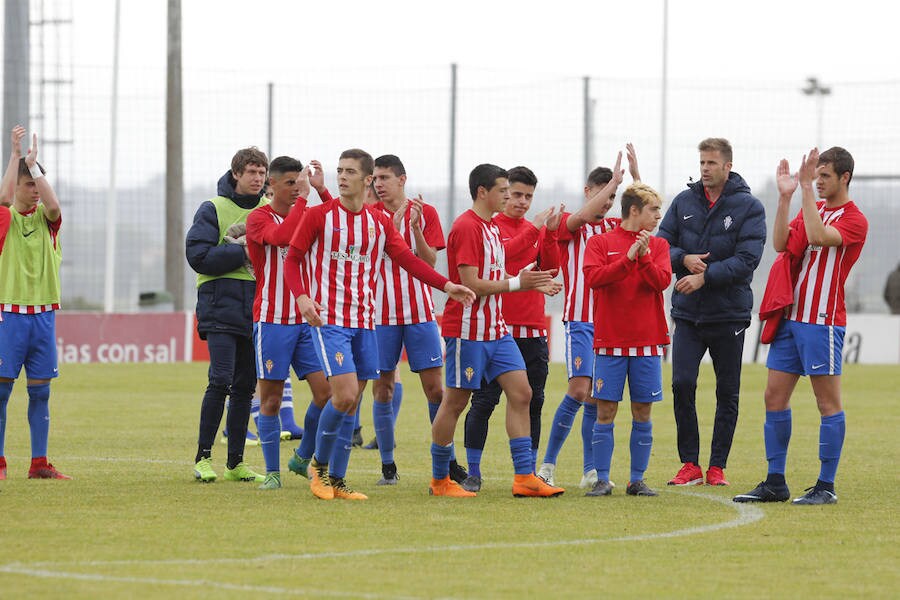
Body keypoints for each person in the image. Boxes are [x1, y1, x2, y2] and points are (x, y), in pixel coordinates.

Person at [284, 148, 475, 501]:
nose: (342, 177)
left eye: (350, 172)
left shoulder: (378, 223)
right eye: (339, 170)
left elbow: (409, 260)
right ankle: (319, 470)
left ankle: (338, 482)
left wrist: (447, 285)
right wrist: (301, 297)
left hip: (366, 324)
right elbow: (293, 260)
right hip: (331, 322)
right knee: (342, 396)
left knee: (352, 399)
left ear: (366, 179)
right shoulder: (319, 217)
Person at [734, 147, 867, 505]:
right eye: (816, 176)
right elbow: (780, 244)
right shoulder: (815, 206)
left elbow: (820, 236)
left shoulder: (854, 219)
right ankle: (775, 481)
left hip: (821, 322)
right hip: (792, 319)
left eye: (825, 176)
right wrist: (784, 198)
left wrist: (806, 188)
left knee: (827, 402)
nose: (819, 182)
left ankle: (826, 486)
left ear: (845, 178)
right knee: (773, 397)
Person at [429, 163, 565, 498]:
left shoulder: (490, 227)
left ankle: (524, 478)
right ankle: (440, 480)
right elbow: (470, 283)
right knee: (456, 403)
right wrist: (521, 283)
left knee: (522, 393)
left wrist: (536, 231)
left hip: (496, 329)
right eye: (504, 190)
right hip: (467, 330)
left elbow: (509, 254)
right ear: (482, 192)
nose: (509, 196)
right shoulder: (466, 227)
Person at [658, 138, 766, 487]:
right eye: (702, 162)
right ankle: (690, 463)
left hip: (729, 315)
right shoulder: (683, 202)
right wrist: (682, 259)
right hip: (688, 314)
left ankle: (717, 466)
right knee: (682, 383)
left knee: (727, 392)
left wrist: (706, 277)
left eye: (711, 163)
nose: (705, 168)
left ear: (727, 166)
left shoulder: (750, 207)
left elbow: (748, 260)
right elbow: (663, 244)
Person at [536, 147, 639, 489]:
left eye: (611, 200)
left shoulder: (613, 227)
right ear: (588, 192)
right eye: (602, 196)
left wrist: (633, 178)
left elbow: (645, 214)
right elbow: (582, 217)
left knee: (597, 395)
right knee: (579, 390)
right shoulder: (572, 223)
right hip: (580, 319)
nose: (606, 204)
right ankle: (548, 464)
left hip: (608, 324)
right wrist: (613, 183)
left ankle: (590, 470)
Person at [368, 154, 466, 485]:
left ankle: (448, 461)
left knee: (435, 389)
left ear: (402, 179)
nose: (378, 184)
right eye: (375, 179)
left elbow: (429, 261)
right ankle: (387, 465)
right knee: (382, 386)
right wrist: (391, 231)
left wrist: (413, 230)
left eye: (384, 178)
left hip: (420, 313)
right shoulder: (368, 216)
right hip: (380, 315)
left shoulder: (424, 212)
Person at [245, 156, 333, 490]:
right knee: (270, 399)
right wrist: (306, 200)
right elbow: (282, 237)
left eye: (301, 181)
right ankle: (272, 473)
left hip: (307, 319)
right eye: (290, 183)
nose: (298, 188)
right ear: (272, 186)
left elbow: (336, 217)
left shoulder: (309, 210)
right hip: (272, 321)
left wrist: (322, 189)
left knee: (327, 394)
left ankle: (301, 457)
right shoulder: (258, 218)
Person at [582, 179, 672, 497]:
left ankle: (637, 480)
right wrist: (627, 258)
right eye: (654, 209)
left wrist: (643, 256)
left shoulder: (659, 246)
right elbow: (594, 278)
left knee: (642, 411)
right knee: (605, 410)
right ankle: (602, 479)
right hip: (610, 342)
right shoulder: (600, 243)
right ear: (634, 211)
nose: (659, 215)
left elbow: (661, 281)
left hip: (647, 342)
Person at [185, 146, 269, 484]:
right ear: (236, 174)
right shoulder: (213, 208)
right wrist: (243, 250)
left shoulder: (268, 209)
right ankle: (203, 458)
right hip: (219, 305)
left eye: (262, 173)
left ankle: (235, 463)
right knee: (220, 379)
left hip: (257, 309)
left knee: (246, 388)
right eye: (251, 172)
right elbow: (199, 256)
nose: (258, 178)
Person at [0, 126, 70, 480]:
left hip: (43, 316)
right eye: (30, 185)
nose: (37, 191)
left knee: (40, 393)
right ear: (18, 188)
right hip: (9, 315)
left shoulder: (48, 220)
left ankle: (39, 463)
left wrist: (35, 167)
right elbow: (1, 200)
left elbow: (55, 205)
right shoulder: (6, 218)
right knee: (1, 392)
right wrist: (15, 157)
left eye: (38, 184)